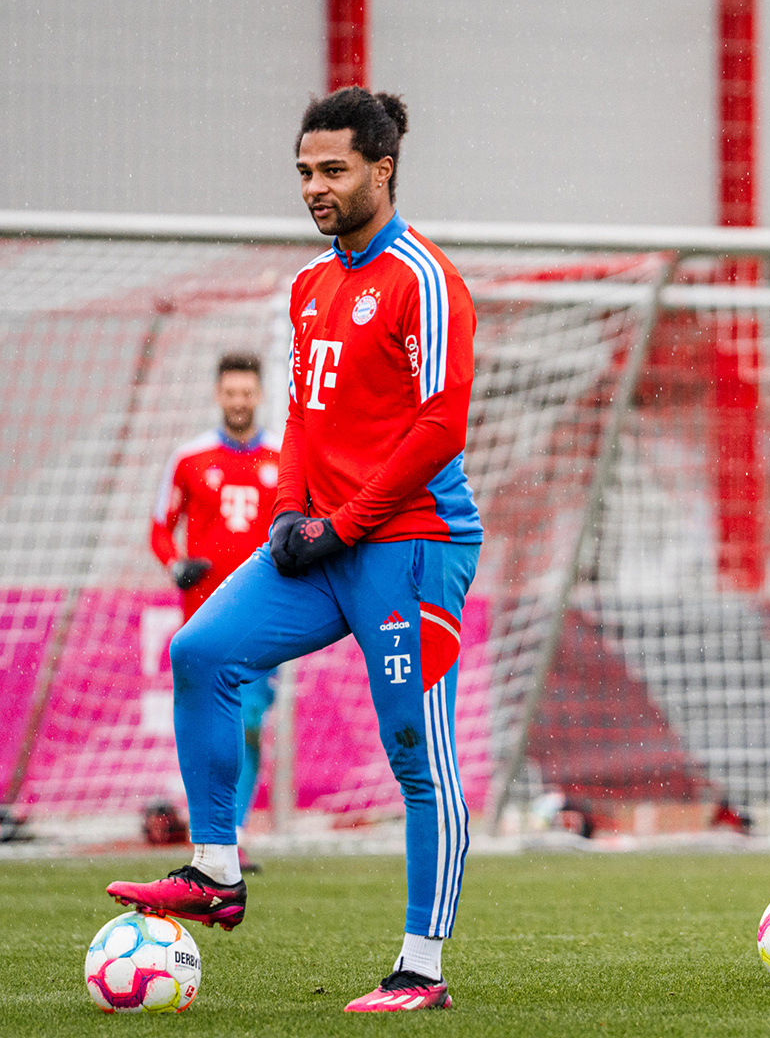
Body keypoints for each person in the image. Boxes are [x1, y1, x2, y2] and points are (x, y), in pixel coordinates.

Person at [109, 86, 483, 1013]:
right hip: (325, 541)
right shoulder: (310, 286)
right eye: (304, 173)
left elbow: (440, 427)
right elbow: (303, 418)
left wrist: (346, 524)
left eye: (333, 171)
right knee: (200, 651)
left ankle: (420, 970)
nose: (314, 188)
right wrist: (286, 510)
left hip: (411, 543)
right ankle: (216, 869)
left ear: (382, 170)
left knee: (413, 750)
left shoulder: (423, 280)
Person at [150, 352, 281, 865]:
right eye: (231, 392)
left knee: (248, 721)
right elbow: (160, 526)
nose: (239, 401)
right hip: (203, 615)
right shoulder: (189, 458)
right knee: (209, 722)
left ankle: (233, 832)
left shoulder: (283, 457)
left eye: (247, 392)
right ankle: (213, 832)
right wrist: (174, 564)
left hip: (264, 614)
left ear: (259, 395)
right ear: (218, 395)